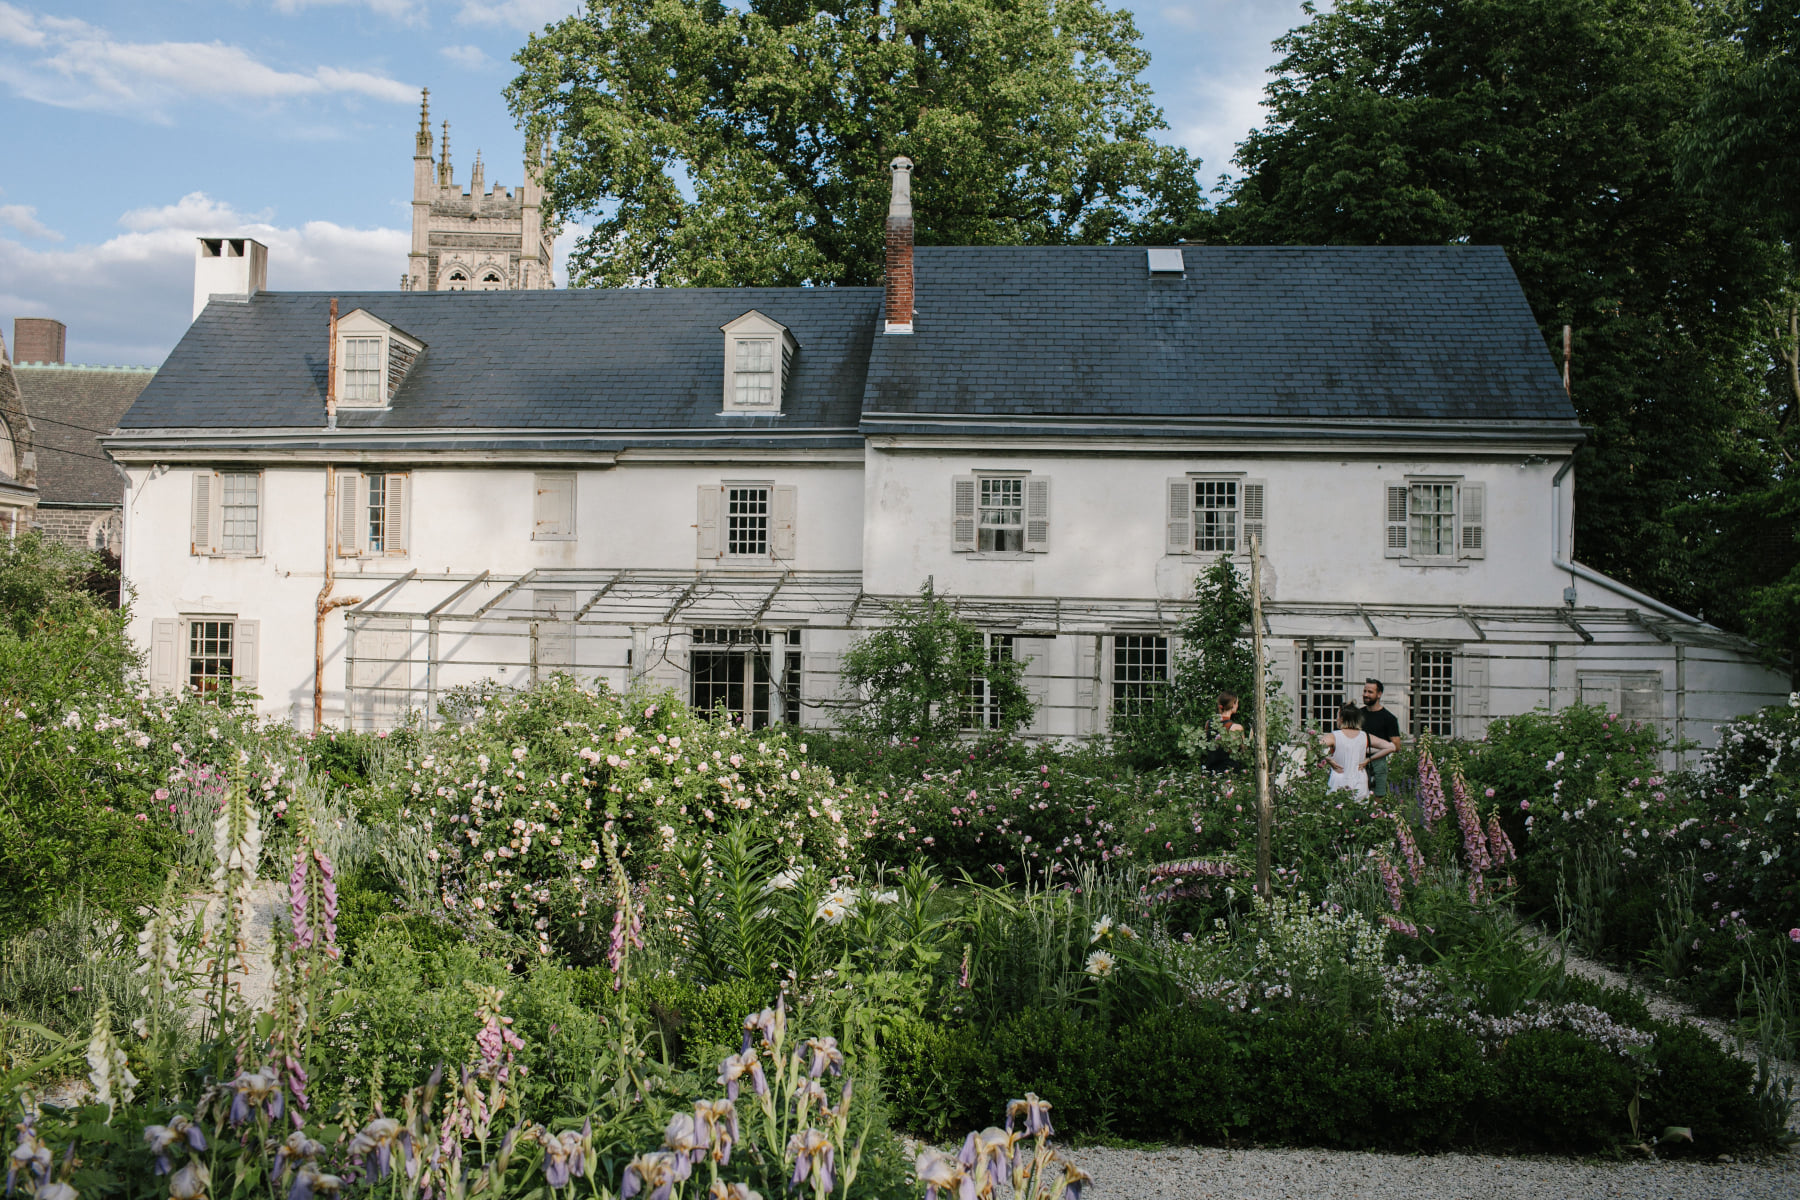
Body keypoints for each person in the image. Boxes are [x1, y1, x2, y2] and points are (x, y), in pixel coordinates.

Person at [1317, 702, 1394, 799]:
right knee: (1359, 810)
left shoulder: (1334, 736)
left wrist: (1328, 760)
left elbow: (1313, 746)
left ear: (1342, 719)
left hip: (1339, 780)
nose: (1336, 719)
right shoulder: (1365, 736)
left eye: (1337, 716)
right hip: (1359, 781)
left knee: (1336, 809)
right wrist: (1369, 759)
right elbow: (1391, 747)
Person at [1359, 679, 1403, 798]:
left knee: (1378, 798)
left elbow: (1396, 746)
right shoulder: (1357, 715)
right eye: (1364, 691)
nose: (1366, 695)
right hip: (1358, 761)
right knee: (1356, 795)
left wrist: (1372, 752)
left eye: (1370, 692)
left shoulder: (1389, 718)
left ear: (1379, 694)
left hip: (1378, 763)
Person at [1202, 692, 1245, 773]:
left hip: (1211, 768)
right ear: (1233, 704)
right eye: (1237, 703)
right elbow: (1243, 750)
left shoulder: (1208, 723)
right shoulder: (1236, 727)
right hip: (1229, 770)